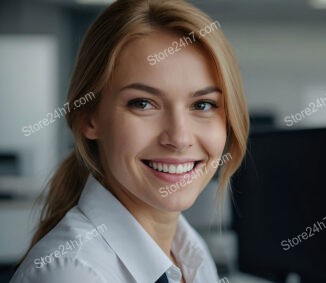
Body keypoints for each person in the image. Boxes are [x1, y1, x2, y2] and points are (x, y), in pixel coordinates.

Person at [11, 0, 249, 282]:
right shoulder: (72, 272)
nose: (179, 138)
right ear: (89, 118)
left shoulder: (190, 253)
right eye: (143, 103)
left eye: (203, 105)